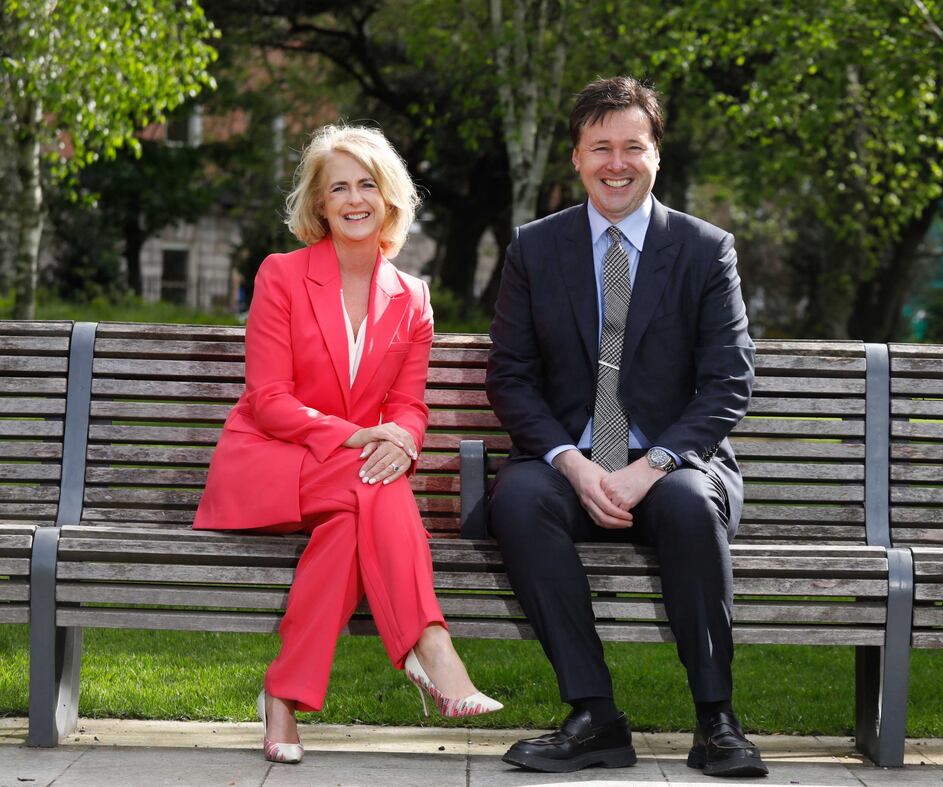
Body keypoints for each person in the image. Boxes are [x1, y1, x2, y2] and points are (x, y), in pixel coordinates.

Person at [485, 77, 767, 778]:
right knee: (517, 500)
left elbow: (729, 379)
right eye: (600, 147)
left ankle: (717, 720)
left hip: (671, 467)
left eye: (632, 146)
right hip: (570, 466)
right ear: (576, 158)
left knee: (691, 504)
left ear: (656, 154)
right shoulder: (535, 249)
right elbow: (511, 376)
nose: (617, 163)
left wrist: (654, 464)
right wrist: (573, 464)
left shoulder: (705, 251)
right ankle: (594, 716)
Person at [194, 124, 501, 765]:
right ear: (320, 203)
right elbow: (267, 400)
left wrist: (406, 441)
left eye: (367, 185)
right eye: (339, 188)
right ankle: (430, 646)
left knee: (347, 528)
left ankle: (283, 698)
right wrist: (364, 439)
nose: (355, 199)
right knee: (375, 481)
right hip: (269, 463)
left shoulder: (412, 298)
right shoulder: (282, 276)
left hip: (345, 484)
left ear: (389, 198)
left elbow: (411, 406)